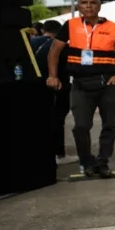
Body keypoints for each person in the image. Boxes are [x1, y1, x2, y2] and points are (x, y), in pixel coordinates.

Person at [45, 0, 115, 178]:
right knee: (81, 126)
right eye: (84, 2)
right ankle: (86, 162)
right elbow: (54, 51)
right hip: (81, 85)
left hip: (107, 83)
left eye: (93, 2)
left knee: (110, 125)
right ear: (79, 6)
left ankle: (103, 162)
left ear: (99, 6)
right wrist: (53, 75)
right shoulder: (70, 26)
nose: (89, 6)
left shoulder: (113, 27)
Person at [34, 20, 78, 165]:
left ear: (43, 30)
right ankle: (59, 154)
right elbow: (71, 66)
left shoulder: (32, 43)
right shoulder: (62, 46)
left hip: (34, 87)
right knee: (58, 120)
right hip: (58, 87)